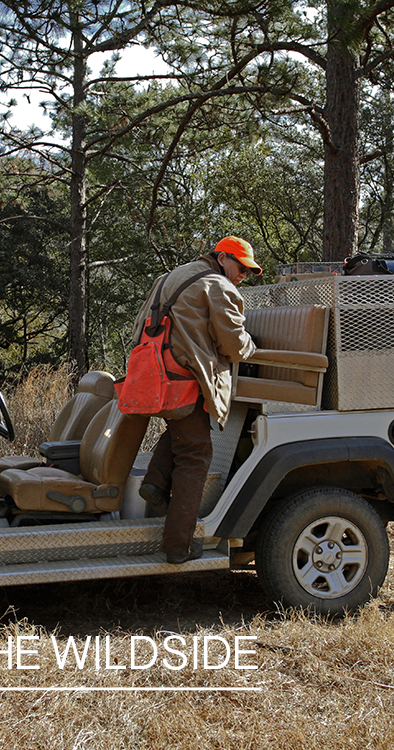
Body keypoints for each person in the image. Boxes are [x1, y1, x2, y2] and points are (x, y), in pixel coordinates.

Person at [133, 236, 259, 564]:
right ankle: (180, 546)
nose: (242, 275)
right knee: (196, 456)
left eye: (248, 271)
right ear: (222, 257)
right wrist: (251, 346)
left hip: (153, 376)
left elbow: (138, 327)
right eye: (241, 267)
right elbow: (233, 344)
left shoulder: (170, 276)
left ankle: (156, 484)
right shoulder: (218, 285)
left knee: (183, 426)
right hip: (184, 378)